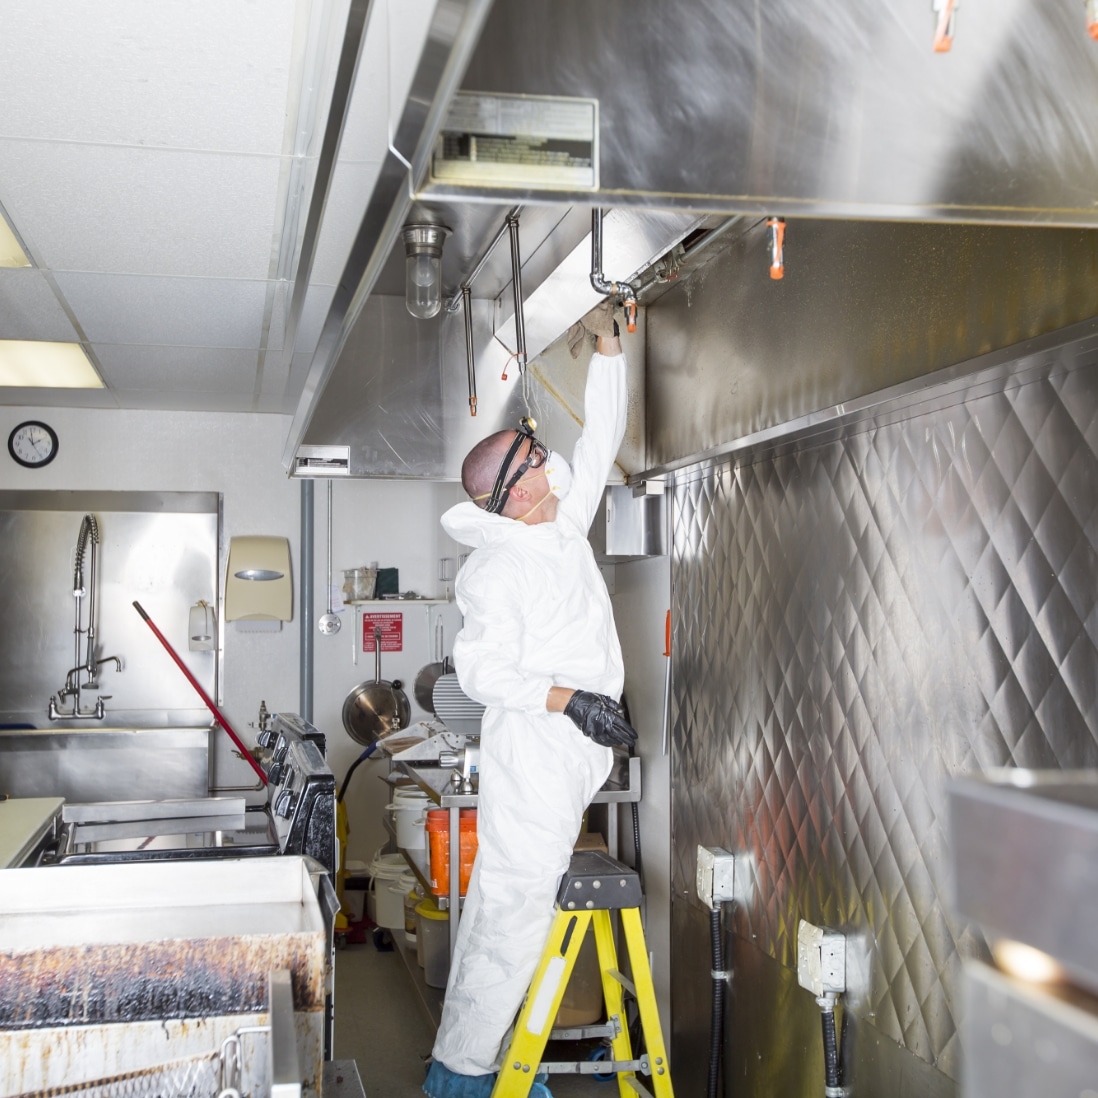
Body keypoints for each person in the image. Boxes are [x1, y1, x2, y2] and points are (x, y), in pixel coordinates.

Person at [423, 303, 638, 1098]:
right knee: (511, 915)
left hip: (571, 750)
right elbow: (479, 672)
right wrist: (570, 700)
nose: (549, 455)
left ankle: (481, 1060)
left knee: (513, 908)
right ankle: (464, 1077)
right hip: (538, 752)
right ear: (516, 493)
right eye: (534, 454)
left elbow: (600, 440)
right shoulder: (497, 567)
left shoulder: (558, 529)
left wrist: (610, 348)